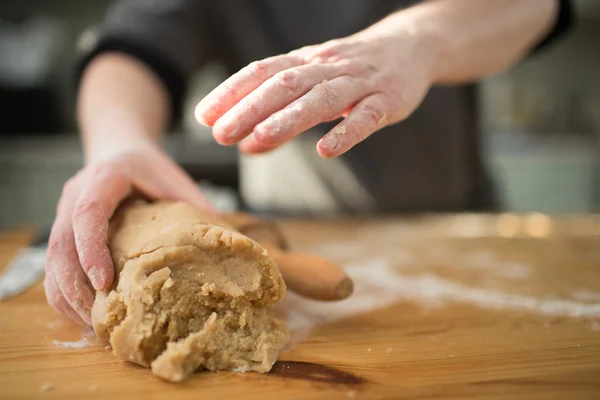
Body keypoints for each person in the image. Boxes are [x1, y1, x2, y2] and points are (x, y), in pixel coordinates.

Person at [44, 0, 573, 325]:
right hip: (284, 228)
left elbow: (538, 6)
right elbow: (134, 46)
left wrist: (420, 39)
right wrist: (118, 141)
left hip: (461, 233)